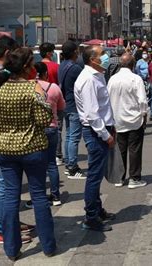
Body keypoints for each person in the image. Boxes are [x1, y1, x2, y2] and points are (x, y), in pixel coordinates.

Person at [0, 47, 56, 260]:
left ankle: (11, 248)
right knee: (38, 196)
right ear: (26, 68)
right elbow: (45, 121)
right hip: (33, 148)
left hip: (5, 149)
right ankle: (48, 246)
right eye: (32, 64)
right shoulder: (32, 89)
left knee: (9, 197)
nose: (34, 68)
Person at [0, 36, 34, 245]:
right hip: (1, 134)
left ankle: (11, 224)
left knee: (7, 186)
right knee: (6, 187)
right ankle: (4, 230)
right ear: (8, 54)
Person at [74, 45, 116, 232]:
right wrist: (105, 135)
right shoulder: (88, 79)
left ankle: (97, 210)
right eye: (102, 54)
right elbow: (92, 114)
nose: (107, 57)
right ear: (93, 59)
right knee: (94, 176)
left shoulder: (97, 76)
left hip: (102, 129)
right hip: (95, 132)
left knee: (97, 175)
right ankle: (91, 216)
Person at [108, 53, 148, 189]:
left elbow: (107, 99)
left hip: (117, 119)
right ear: (133, 64)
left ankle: (120, 177)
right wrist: (144, 114)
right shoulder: (136, 79)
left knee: (120, 150)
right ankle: (134, 178)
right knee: (134, 149)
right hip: (134, 119)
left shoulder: (112, 79)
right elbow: (142, 100)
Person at [32, 62, 65, 206]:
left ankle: (38, 197)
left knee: (36, 164)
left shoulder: (28, 88)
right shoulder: (54, 87)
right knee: (52, 163)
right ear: (46, 73)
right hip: (52, 128)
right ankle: (56, 196)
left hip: (35, 129)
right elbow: (62, 106)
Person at [58, 40, 85, 179]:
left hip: (65, 104)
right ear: (75, 52)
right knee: (73, 137)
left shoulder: (62, 65)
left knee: (68, 136)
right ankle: (72, 167)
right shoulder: (75, 68)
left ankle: (69, 163)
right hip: (74, 105)